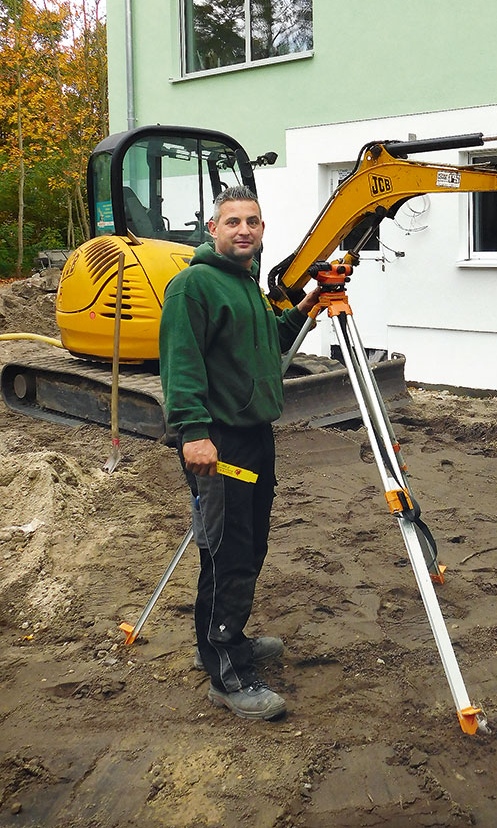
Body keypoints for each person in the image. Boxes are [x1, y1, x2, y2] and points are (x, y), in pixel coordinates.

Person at [159, 185, 320, 721]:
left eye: (252, 221)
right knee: (228, 553)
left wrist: (303, 309)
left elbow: (268, 340)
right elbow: (181, 366)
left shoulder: (245, 284)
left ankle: (229, 640)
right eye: (233, 222)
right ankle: (227, 675)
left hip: (255, 438)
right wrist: (192, 432)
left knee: (246, 550)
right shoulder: (193, 286)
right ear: (213, 229)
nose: (244, 230)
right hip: (219, 442)